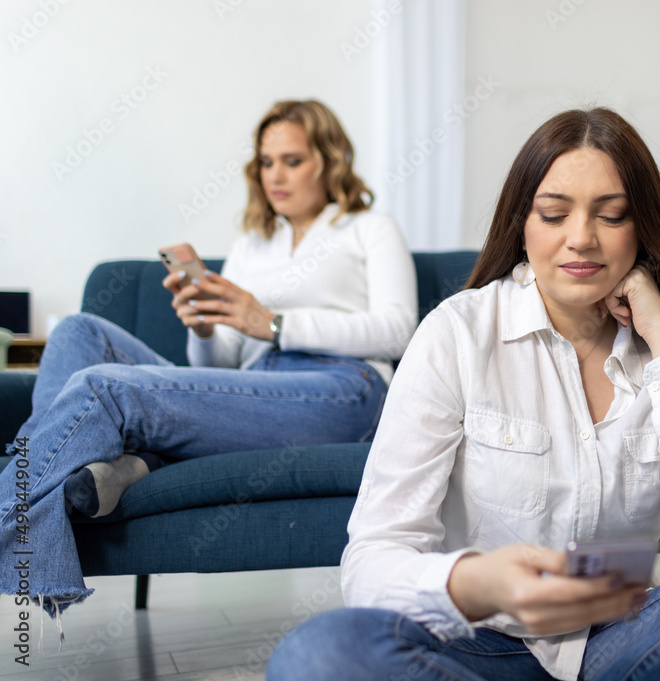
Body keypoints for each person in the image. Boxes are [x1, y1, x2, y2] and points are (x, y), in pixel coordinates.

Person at [266, 108, 660, 681]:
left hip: (618, 635)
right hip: (472, 643)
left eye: (612, 215)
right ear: (523, 224)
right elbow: (372, 559)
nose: (582, 238)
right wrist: (478, 582)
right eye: (555, 214)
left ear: (643, 229)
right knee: (320, 653)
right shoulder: (458, 331)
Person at [0, 99, 417, 616]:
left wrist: (271, 323)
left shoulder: (368, 227)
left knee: (104, 386)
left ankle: (22, 494)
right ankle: (107, 471)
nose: (275, 176)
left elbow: (400, 331)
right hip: (254, 388)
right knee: (77, 332)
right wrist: (202, 326)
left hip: (341, 388)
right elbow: (218, 366)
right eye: (266, 162)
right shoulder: (252, 245)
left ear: (329, 161)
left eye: (292, 160)